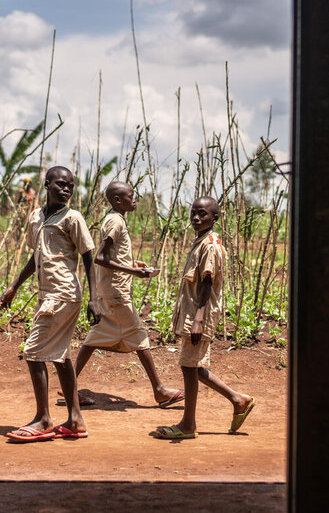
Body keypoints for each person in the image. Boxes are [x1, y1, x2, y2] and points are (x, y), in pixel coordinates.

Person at [0, 166, 100, 442]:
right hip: (48, 294)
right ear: (46, 184)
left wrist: (94, 298)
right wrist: (14, 286)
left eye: (70, 186)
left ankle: (43, 419)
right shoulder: (36, 217)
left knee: (33, 351)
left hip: (64, 294)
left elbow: (88, 257)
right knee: (61, 356)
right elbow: (36, 256)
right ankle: (76, 419)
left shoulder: (73, 218)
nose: (66, 190)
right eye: (60, 185)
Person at [65, 181, 184, 408]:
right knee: (139, 335)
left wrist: (132, 263)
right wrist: (134, 271)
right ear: (118, 200)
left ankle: (69, 384)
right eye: (131, 196)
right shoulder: (115, 221)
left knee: (96, 337)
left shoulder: (116, 219)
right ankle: (159, 390)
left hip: (113, 290)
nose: (135, 199)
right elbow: (100, 257)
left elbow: (112, 256)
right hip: (117, 292)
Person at [155, 196, 255, 440]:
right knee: (193, 365)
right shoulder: (200, 241)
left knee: (189, 365)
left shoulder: (210, 245)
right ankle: (238, 399)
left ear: (215, 218)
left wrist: (198, 319)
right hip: (195, 312)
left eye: (203, 214)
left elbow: (207, 283)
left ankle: (188, 424)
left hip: (200, 313)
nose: (196, 218)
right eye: (193, 213)